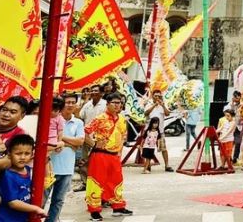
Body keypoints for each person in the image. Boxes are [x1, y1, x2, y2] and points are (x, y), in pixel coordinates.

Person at [84, 92, 133, 220]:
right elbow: (85, 131)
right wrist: (93, 144)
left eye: (119, 103)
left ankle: (118, 207)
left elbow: (123, 136)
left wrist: (119, 152)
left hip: (114, 156)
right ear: (107, 104)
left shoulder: (121, 119)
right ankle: (94, 210)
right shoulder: (100, 118)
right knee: (96, 182)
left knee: (116, 181)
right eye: (114, 103)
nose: (117, 105)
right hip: (100, 155)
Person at [44, 94, 84, 222]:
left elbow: (80, 141)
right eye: (67, 102)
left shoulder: (78, 122)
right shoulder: (51, 118)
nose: (70, 105)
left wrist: (61, 141)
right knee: (41, 200)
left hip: (67, 168)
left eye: (73, 102)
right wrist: (68, 144)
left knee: (58, 201)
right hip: (48, 167)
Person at [0, 134, 45, 222]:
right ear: (9, 154)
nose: (22, 157)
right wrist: (36, 209)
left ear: (32, 154)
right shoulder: (8, 175)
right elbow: (13, 203)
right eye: (18, 153)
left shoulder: (28, 170)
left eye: (27, 153)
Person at [141, 90, 172, 172]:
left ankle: (167, 165)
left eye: (159, 96)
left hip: (160, 131)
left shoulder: (163, 104)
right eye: (156, 96)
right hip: (150, 132)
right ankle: (148, 166)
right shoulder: (149, 104)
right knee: (148, 148)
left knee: (163, 148)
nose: (157, 97)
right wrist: (154, 105)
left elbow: (167, 113)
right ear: (152, 96)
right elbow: (146, 113)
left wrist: (163, 105)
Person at [224, 92, 243, 162]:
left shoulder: (242, 105)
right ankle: (229, 157)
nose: (237, 99)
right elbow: (229, 112)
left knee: (238, 142)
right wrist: (232, 103)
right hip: (231, 126)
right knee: (230, 142)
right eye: (236, 98)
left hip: (239, 126)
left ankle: (235, 157)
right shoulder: (230, 105)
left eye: (238, 98)